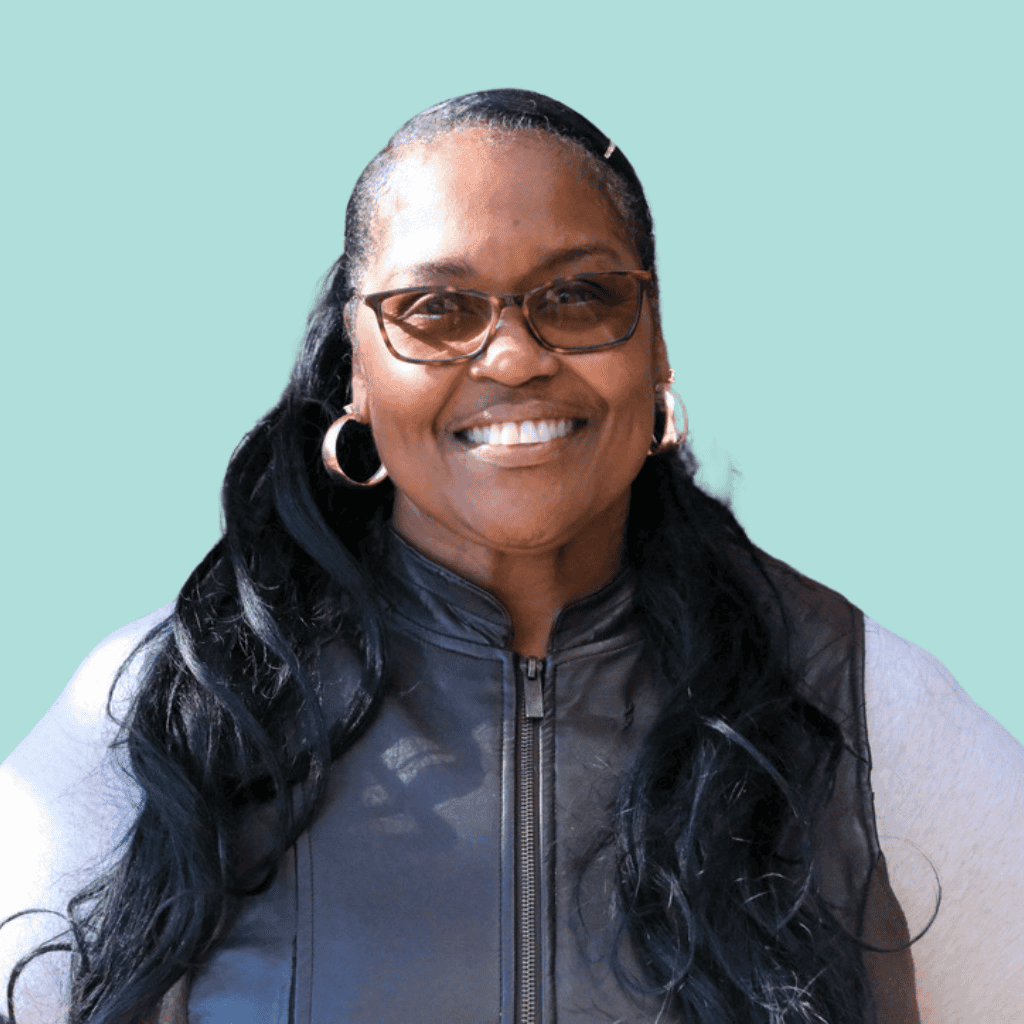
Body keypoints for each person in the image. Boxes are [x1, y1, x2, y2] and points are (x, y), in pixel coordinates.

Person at [1, 89, 1021, 1024]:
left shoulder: (855, 696)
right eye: (436, 310)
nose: (514, 355)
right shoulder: (182, 699)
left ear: (656, 348)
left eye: (577, 297)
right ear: (353, 371)